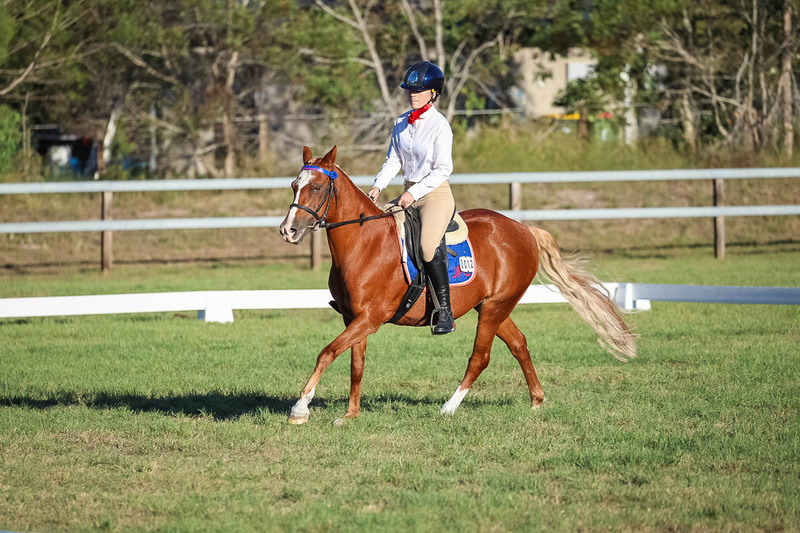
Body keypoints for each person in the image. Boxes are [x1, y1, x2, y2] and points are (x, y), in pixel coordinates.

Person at [367, 61, 456, 335]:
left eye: (418, 90)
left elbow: (443, 169)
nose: (412, 94)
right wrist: (377, 187)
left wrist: (412, 193)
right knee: (375, 227)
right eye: (410, 90)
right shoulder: (400, 123)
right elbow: (393, 160)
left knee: (428, 247)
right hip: (408, 192)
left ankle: (445, 312)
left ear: (433, 93)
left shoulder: (440, 126)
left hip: (434, 194)